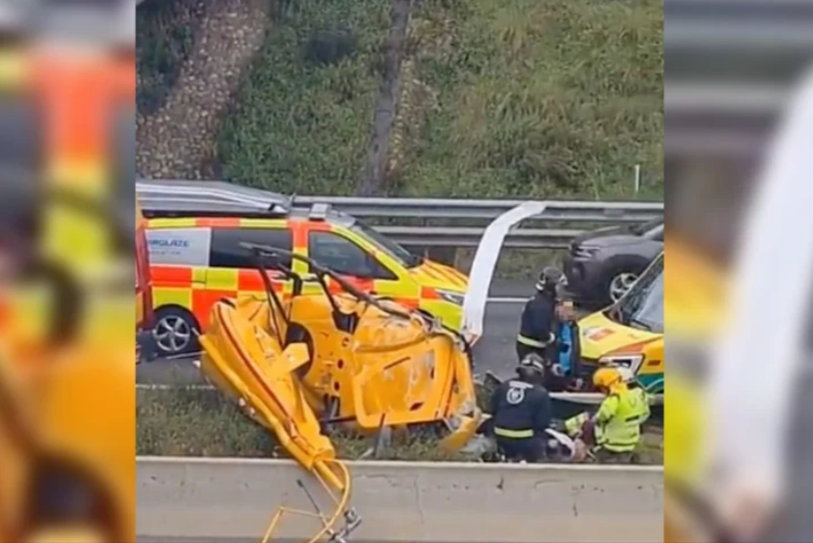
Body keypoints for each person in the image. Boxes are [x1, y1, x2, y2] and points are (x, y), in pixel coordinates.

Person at [565, 367, 650, 463]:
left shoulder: (615, 399)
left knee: (586, 424)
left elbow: (602, 417)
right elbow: (645, 414)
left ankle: (579, 454)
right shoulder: (639, 395)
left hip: (611, 441)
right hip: (631, 440)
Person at [489, 353, 553, 463]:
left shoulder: (504, 385)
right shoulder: (541, 393)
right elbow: (542, 423)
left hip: (498, 437)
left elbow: (492, 409)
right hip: (525, 442)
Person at [516, 267, 562, 364]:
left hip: (531, 346)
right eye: (558, 285)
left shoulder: (544, 300)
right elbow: (541, 330)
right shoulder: (541, 305)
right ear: (551, 286)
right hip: (533, 348)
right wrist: (552, 338)